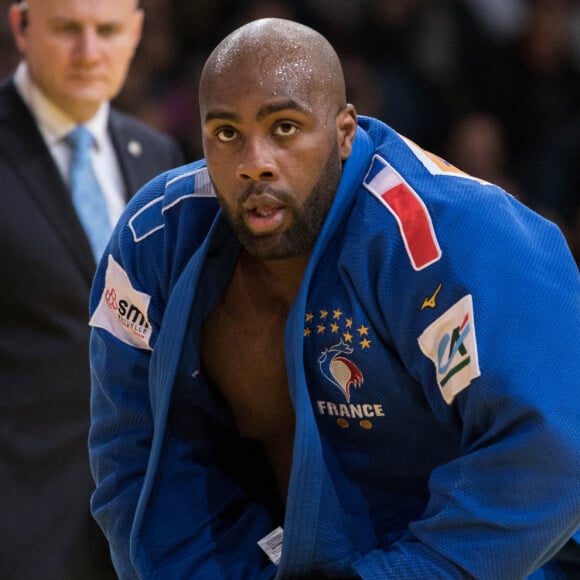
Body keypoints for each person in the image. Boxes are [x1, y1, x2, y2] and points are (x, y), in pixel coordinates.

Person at [88, 18, 580, 579]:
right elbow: (134, 466)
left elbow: (556, 454)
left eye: (285, 127)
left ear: (345, 131)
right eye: (226, 133)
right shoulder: (152, 246)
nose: (255, 160)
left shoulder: (456, 238)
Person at [0, 0, 185, 578]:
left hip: (135, 515)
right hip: (20, 510)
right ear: (21, 27)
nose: (89, 52)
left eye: (107, 30)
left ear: (134, 34)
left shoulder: (158, 159)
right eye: (67, 29)